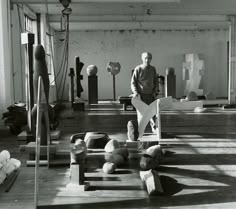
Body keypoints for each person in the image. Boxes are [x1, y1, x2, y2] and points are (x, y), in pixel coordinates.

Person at [131, 52, 158, 132]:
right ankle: (140, 132)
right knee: (141, 116)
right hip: (141, 96)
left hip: (151, 96)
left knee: (153, 114)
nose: (147, 60)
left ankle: (155, 130)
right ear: (142, 58)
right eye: (146, 58)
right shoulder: (138, 69)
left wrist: (154, 91)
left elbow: (155, 81)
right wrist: (136, 92)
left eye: (149, 58)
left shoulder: (153, 69)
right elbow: (133, 82)